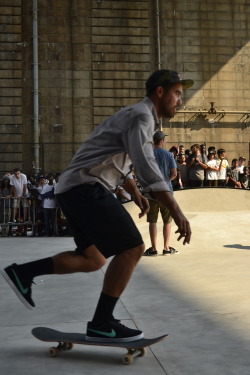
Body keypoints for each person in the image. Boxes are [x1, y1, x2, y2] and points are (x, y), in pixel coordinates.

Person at [1, 69, 193, 343]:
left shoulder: (136, 117)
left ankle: (22, 272)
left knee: (93, 259)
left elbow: (115, 161)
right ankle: (103, 322)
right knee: (133, 247)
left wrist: (135, 191)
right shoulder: (142, 116)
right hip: (85, 187)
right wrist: (176, 211)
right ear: (159, 92)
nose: (180, 101)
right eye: (177, 93)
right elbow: (146, 165)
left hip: (74, 188)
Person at [144, 130, 178, 256]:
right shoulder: (168, 155)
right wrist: (165, 181)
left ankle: (153, 249)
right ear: (162, 141)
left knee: (152, 220)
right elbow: (174, 174)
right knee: (167, 220)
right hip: (166, 192)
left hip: (152, 192)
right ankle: (166, 248)